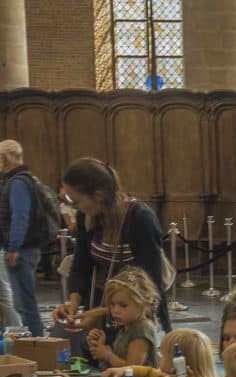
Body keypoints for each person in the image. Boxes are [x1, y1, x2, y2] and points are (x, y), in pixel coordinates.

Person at [52, 158, 170, 332]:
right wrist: (73, 304)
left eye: (76, 201)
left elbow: (150, 284)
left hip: (139, 319)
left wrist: (107, 310)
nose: (75, 207)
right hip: (102, 312)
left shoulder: (140, 219)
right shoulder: (86, 217)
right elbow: (80, 265)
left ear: (98, 196)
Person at [0, 140, 45, 336]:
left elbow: (20, 216)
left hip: (22, 250)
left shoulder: (18, 182)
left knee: (25, 304)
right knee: (23, 303)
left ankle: (37, 346)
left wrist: (13, 247)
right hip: (25, 249)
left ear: (4, 158)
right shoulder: (21, 179)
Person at [85, 267, 160, 369]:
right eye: (112, 304)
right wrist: (100, 347)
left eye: (123, 305)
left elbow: (132, 369)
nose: (115, 310)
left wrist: (107, 355)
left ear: (143, 305)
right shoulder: (126, 327)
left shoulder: (142, 329)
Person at [101, 328, 218, 377]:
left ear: (177, 363)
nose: (159, 358)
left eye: (162, 355)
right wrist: (124, 370)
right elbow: (148, 372)